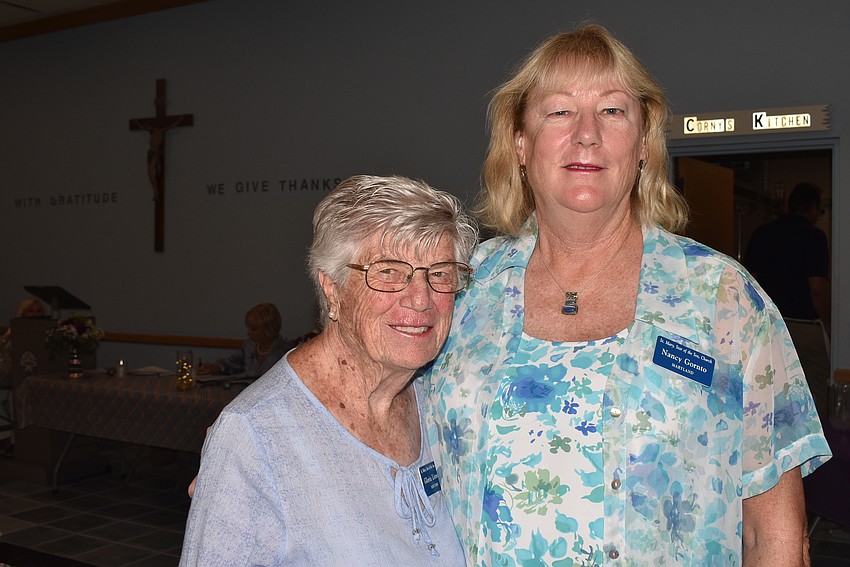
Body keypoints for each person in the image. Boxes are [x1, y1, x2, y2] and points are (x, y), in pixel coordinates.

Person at [421, 24, 831, 566]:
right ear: (520, 142)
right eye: (559, 111)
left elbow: (773, 538)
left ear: (643, 144)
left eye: (613, 111)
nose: (586, 133)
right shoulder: (459, 290)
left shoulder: (723, 299)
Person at [180, 175, 478, 565]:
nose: (421, 298)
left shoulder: (436, 400)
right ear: (332, 290)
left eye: (439, 273)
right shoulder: (255, 435)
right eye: (388, 271)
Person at [745, 182, 831, 419]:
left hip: (768, 327)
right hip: (803, 327)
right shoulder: (814, 237)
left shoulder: (763, 233)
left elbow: (747, 282)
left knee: (771, 394)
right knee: (812, 398)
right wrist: (830, 325)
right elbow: (817, 289)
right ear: (812, 208)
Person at [0, 298, 47, 457]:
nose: (34, 314)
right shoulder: (14, 330)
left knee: (15, 399)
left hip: (25, 379)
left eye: (38, 311)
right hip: (6, 376)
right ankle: (5, 437)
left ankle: (12, 442)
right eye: (30, 311)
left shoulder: (44, 332)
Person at [196, 302, 287, 379]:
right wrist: (213, 367)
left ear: (268, 330)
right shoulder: (249, 345)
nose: (248, 333)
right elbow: (231, 364)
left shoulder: (283, 352)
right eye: (248, 328)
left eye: (253, 329)